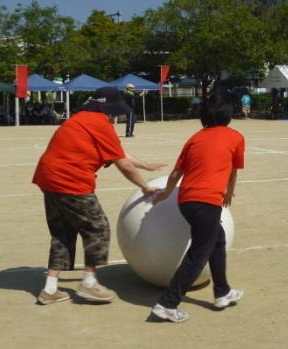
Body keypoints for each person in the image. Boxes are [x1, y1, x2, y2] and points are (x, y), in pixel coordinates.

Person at [32, 86, 165, 305]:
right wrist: (145, 187)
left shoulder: (81, 119)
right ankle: (89, 283)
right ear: (108, 107)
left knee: (62, 233)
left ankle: (50, 288)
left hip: (48, 178)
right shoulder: (100, 124)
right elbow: (123, 164)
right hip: (70, 181)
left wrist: (146, 165)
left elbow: (117, 152)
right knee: (98, 228)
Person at [150, 102, 245, 323]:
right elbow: (232, 170)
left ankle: (222, 292)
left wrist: (166, 194)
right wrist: (228, 192)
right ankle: (167, 303)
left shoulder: (195, 138)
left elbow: (175, 173)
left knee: (217, 239)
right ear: (228, 116)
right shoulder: (236, 137)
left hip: (186, 200)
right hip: (206, 202)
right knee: (199, 252)